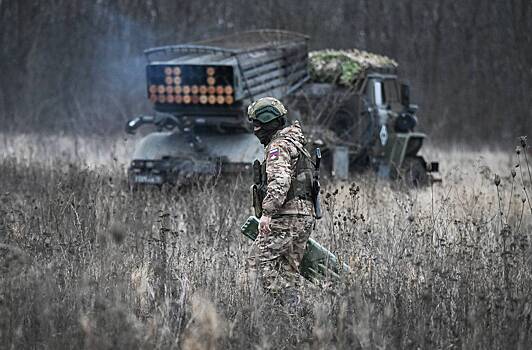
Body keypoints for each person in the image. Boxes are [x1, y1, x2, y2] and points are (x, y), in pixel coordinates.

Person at [247, 97, 315, 301]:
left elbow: (281, 179)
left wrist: (267, 213)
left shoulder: (279, 146)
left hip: (287, 215)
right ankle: (293, 320)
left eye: (258, 124)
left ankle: (294, 306)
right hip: (303, 215)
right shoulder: (296, 143)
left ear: (268, 123)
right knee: (287, 271)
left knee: (257, 263)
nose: (255, 130)